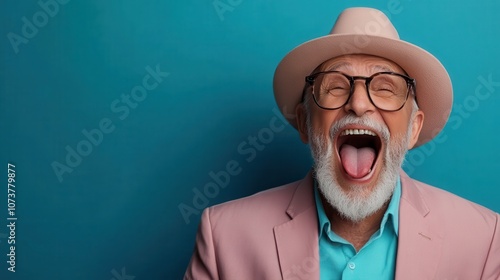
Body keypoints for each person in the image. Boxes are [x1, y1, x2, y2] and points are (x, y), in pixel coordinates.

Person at [184, 7, 500, 280]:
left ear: (413, 129)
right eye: (335, 86)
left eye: (385, 87)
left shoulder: (483, 239)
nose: (359, 104)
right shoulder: (223, 237)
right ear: (306, 124)